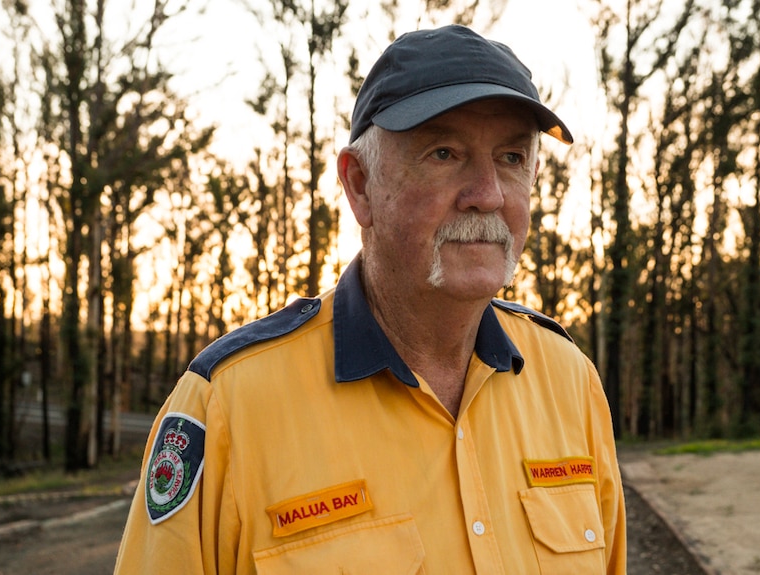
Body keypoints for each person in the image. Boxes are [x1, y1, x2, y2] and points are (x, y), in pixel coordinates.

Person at [114, 24, 626, 574]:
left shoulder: (569, 381)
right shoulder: (228, 408)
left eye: (512, 158)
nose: (488, 194)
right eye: (444, 152)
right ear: (360, 185)